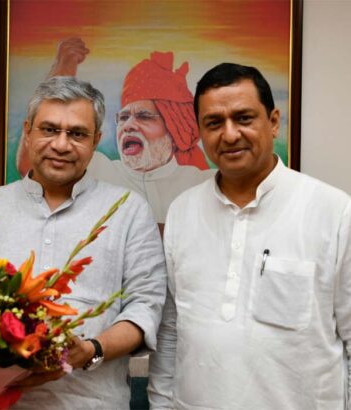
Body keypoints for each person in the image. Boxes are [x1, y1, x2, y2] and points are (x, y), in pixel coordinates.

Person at [148, 63, 351, 409]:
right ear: (200, 132)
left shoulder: (333, 212)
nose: (229, 135)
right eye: (214, 123)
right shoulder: (182, 212)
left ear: (273, 121)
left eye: (243, 118)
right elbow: (170, 331)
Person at [0, 76, 166, 409]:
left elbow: (145, 306)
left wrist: (92, 350)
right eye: (49, 129)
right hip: (1, 403)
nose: (61, 145)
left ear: (96, 140)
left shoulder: (128, 209)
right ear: (28, 132)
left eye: (77, 134)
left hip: (94, 402)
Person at [16, 38, 214, 225]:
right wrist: (64, 66)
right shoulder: (97, 169)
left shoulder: (203, 183)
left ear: (173, 129)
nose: (129, 125)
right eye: (124, 117)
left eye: (144, 116)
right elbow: (31, 164)